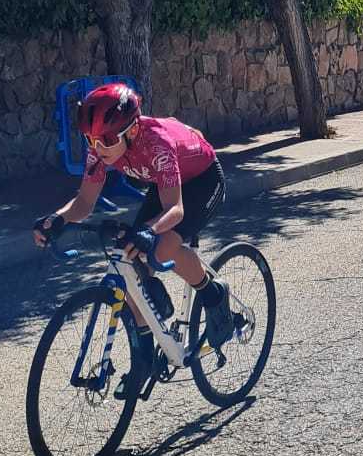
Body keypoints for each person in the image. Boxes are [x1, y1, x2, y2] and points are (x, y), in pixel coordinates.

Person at [33, 84, 231, 395]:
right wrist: (56, 220)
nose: (98, 148)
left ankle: (214, 295)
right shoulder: (100, 150)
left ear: (132, 128)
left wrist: (150, 232)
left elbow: (176, 210)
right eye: (90, 139)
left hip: (202, 180)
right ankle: (144, 359)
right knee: (132, 256)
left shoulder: (156, 144)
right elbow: (84, 202)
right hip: (165, 181)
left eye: (107, 140)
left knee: (162, 245)